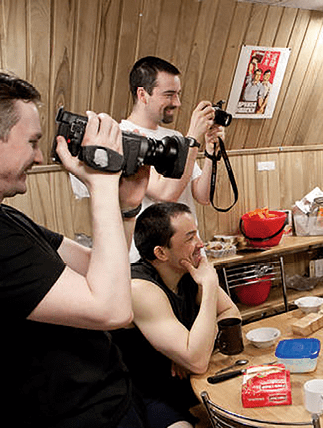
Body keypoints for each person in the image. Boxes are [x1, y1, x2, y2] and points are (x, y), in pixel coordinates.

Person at [0, 71, 150, 427]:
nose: (39, 157)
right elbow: (113, 310)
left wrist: (125, 207)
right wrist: (101, 183)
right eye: (32, 142)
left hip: (114, 402)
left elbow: (97, 269)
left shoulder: (8, 218)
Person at [112, 202, 240, 428]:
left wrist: (190, 348)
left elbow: (231, 313)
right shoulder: (139, 288)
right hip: (146, 392)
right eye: (190, 238)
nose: (201, 244)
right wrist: (209, 287)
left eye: (197, 234)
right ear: (161, 252)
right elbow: (198, 361)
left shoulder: (189, 269)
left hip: (190, 381)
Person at [123, 56, 223, 262]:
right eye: (169, 95)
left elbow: (203, 196)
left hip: (191, 252)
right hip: (153, 258)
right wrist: (193, 139)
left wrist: (212, 153)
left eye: (178, 94)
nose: (177, 103)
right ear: (143, 94)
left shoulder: (176, 137)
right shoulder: (123, 136)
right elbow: (165, 194)